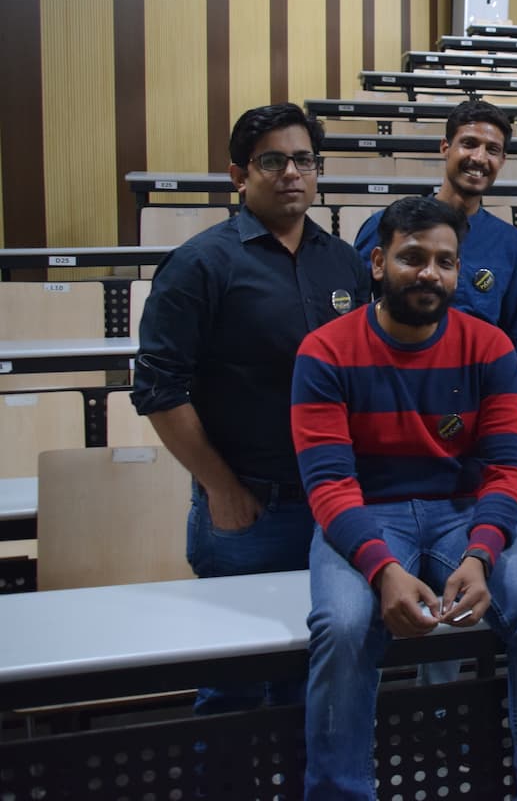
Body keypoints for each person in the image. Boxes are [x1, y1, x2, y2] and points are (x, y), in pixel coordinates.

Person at [292, 195, 517, 801]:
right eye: (413, 257)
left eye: (445, 262)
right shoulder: (324, 350)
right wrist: (382, 569)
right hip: (366, 513)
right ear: (377, 262)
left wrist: (480, 557)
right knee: (341, 626)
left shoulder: (490, 346)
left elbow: (505, 469)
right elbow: (329, 483)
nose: (430, 273)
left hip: (463, 511)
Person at [131, 102, 369, 714]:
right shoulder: (200, 265)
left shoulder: (342, 262)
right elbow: (159, 390)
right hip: (248, 511)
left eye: (303, 160)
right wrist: (222, 489)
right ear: (239, 175)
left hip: (331, 506)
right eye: (272, 161)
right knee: (234, 684)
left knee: (313, 678)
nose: (291, 172)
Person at [355, 98, 517, 400]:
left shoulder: (510, 244)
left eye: (492, 150)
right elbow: (356, 318)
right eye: (469, 143)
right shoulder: (386, 225)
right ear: (445, 148)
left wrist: (513, 404)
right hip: (394, 390)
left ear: (502, 160)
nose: (479, 158)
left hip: (474, 396)